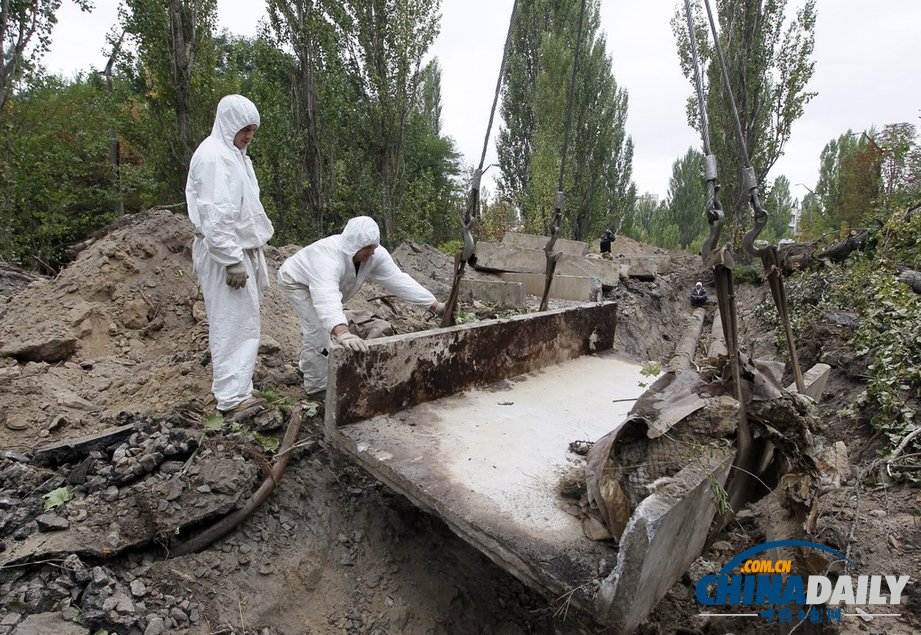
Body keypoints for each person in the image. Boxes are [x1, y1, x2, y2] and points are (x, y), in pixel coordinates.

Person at [278, 216, 444, 397]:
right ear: (352, 245)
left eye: (374, 246)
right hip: (296, 282)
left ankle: (308, 366)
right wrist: (342, 332)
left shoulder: (375, 254)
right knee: (317, 330)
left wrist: (434, 305)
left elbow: (398, 281)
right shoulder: (327, 257)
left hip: (326, 288)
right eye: (367, 248)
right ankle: (317, 387)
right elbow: (326, 295)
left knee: (321, 330)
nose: (372, 252)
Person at [185, 94, 274, 415]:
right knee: (231, 322)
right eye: (244, 128)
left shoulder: (235, 155)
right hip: (225, 255)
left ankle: (239, 387)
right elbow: (215, 216)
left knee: (244, 321)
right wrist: (232, 259)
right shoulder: (213, 158)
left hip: (239, 250)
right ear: (228, 123)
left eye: (253, 129)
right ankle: (232, 398)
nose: (249, 135)